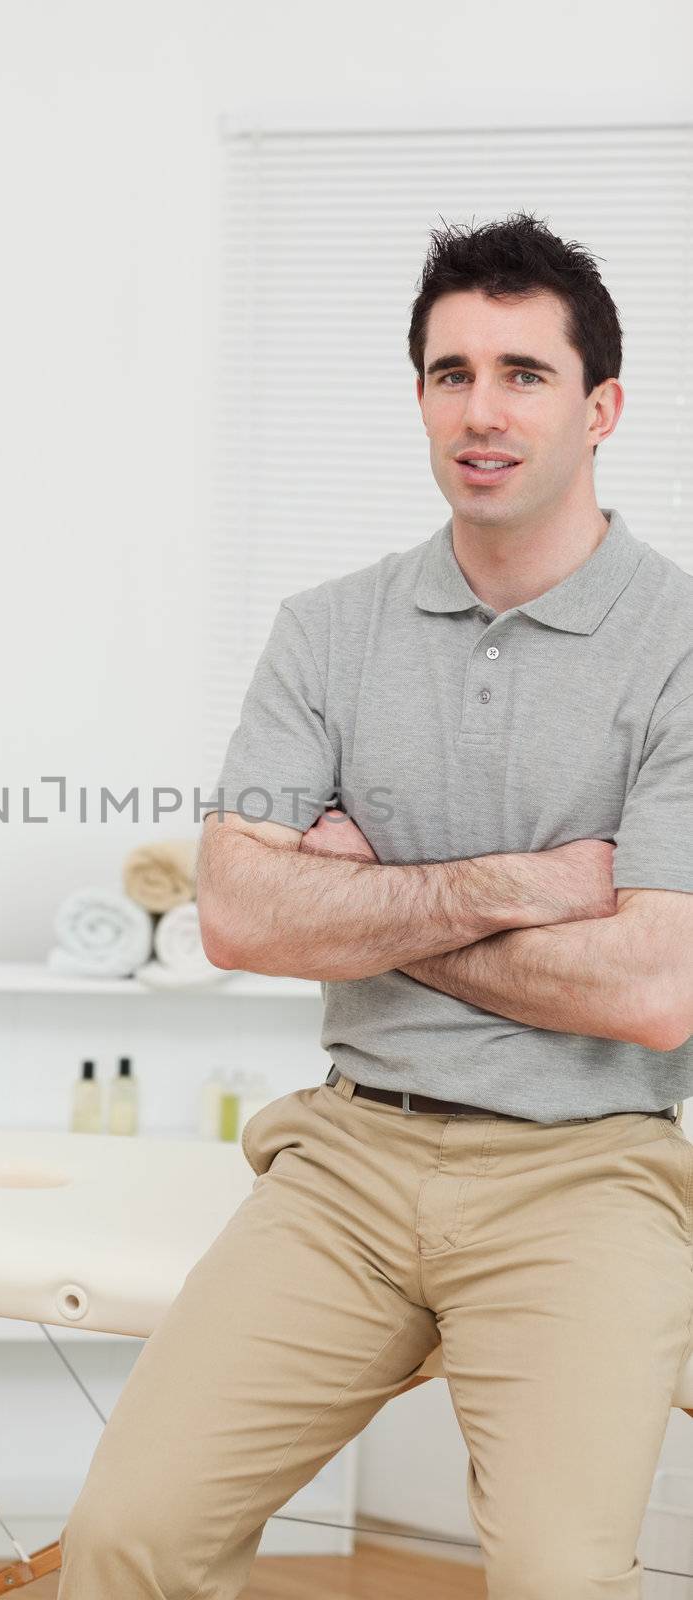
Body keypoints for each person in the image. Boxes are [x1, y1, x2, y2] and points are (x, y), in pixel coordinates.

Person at [57, 212, 693, 1599]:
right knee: (125, 1544)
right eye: (450, 372)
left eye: (524, 374)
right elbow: (240, 919)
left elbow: (654, 993)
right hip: (351, 1159)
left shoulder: (682, 647)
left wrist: (368, 899)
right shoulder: (325, 633)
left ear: (603, 408)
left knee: (561, 1584)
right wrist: (530, 887)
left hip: (584, 1171)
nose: (483, 410)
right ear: (417, 396)